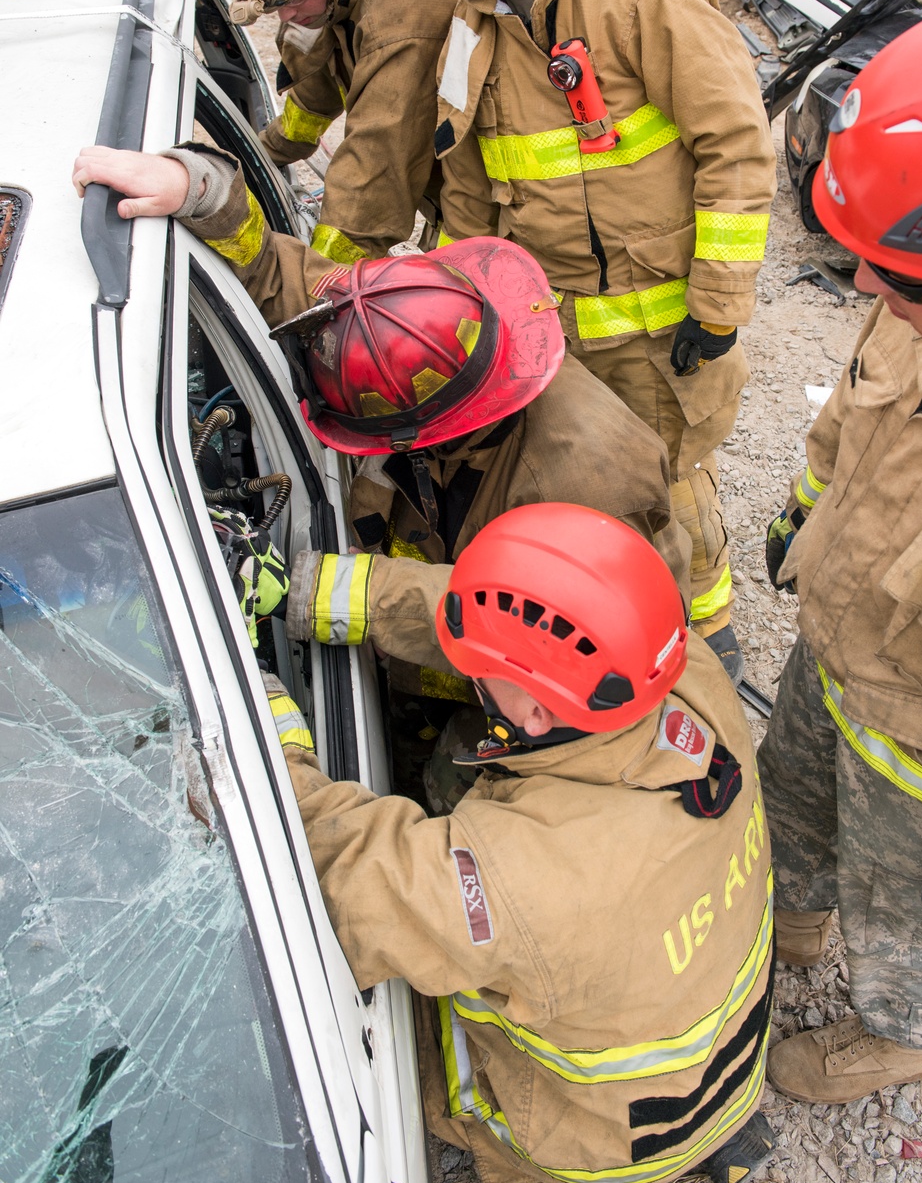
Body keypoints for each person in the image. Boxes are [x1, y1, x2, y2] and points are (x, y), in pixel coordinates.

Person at [70, 143, 693, 804]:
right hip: (427, 674)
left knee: (451, 782)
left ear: (428, 433)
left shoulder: (589, 484)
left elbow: (544, 640)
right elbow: (280, 273)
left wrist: (315, 590)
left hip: (526, 709)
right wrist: (192, 186)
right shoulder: (412, 326)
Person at [364, 0, 777, 680]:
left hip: (662, 336)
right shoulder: (474, 22)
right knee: (588, 496)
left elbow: (735, 144)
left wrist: (720, 304)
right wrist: (473, 311)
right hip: (554, 341)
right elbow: (469, 179)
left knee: (673, 489)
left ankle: (709, 654)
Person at [279, 501, 775, 1183]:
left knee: (418, 1023)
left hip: (609, 1142)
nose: (472, 674)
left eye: (485, 674)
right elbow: (513, 620)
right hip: (731, 1065)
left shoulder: (514, 876)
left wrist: (277, 746)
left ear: (536, 714)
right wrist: (322, 593)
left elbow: (351, 878)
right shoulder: (687, 670)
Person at [760, 0, 922, 1103]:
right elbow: (845, 419)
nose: (862, 289)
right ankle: (793, 924)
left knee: (909, 914)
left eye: (897, 278)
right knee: (794, 800)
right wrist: (801, 510)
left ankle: (908, 1033)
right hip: (836, 653)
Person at [210, 0, 458, 263]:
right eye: (274, 8)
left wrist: (317, 284)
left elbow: (374, 176)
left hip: (496, 211)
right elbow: (314, 93)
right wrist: (255, 160)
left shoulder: (401, 13)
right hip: (448, 199)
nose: (286, 17)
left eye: (289, 2)